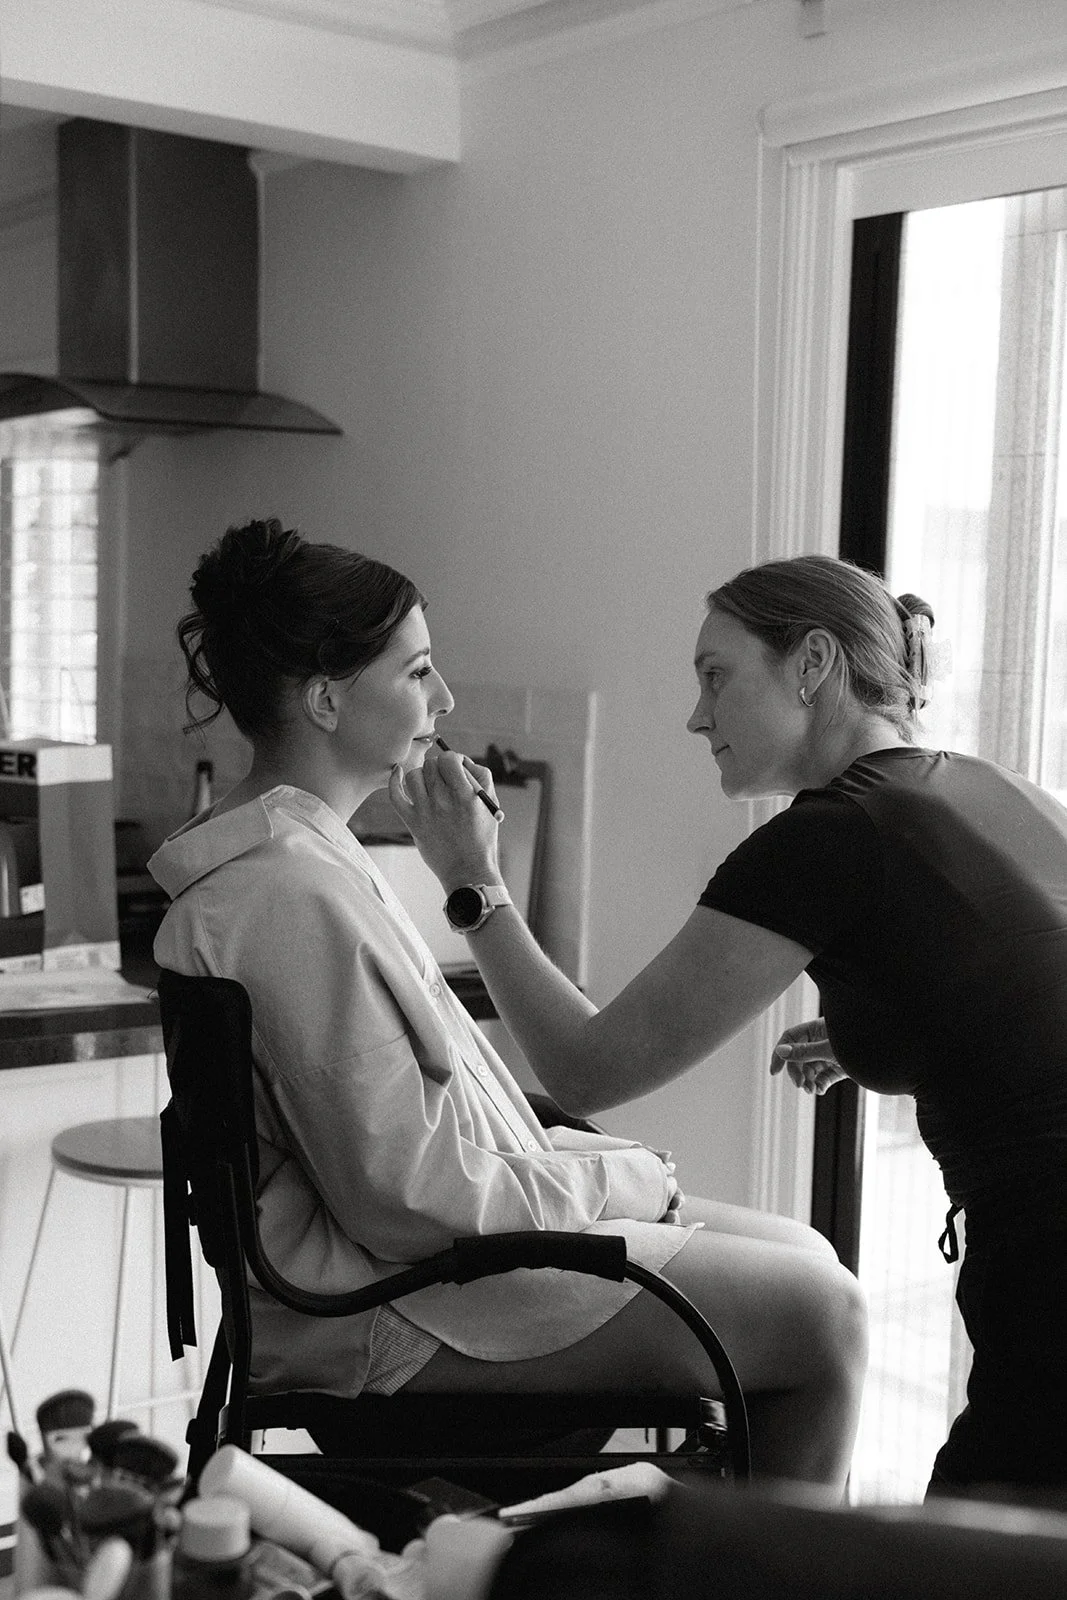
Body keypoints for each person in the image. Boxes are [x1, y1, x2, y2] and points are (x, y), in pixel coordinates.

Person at [148, 520, 866, 1486]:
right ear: (323, 698)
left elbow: (439, 1141)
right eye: (416, 674)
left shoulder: (308, 865)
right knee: (826, 1316)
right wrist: (629, 1180)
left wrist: (607, 1172)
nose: (442, 700)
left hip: (417, 1264)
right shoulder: (285, 896)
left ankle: (718, 1554)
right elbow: (409, 1201)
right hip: (388, 1310)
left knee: (808, 1251)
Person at [394, 550, 1067, 1502]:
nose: (696, 715)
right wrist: (890, 1027)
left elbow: (586, 1071)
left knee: (979, 1552)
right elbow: (1020, 975)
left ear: (813, 664)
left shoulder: (825, 835)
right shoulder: (985, 785)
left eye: (716, 676)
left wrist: (473, 882)